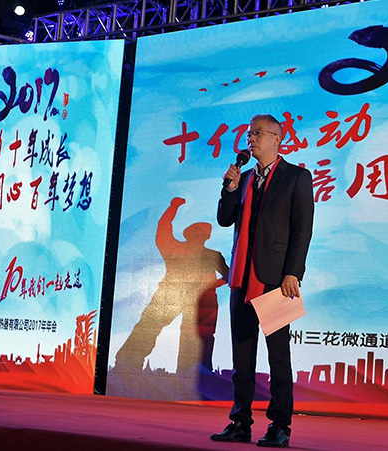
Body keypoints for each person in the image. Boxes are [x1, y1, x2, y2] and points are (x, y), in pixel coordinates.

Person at [211, 114, 314, 447]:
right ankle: (240, 421)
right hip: (241, 277)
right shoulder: (242, 178)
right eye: (249, 134)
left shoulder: (297, 177)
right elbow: (225, 219)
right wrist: (229, 189)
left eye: (257, 133)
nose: (251, 139)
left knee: (278, 356)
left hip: (276, 279)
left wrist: (293, 273)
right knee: (241, 356)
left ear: (276, 139)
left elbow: (302, 229)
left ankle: (280, 425)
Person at [114, 197, 228, 397]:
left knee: (197, 335)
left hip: (200, 298)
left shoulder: (211, 255)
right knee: (149, 326)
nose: (198, 238)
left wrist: (209, 286)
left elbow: (229, 276)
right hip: (173, 292)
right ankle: (127, 363)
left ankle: (194, 373)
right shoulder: (181, 249)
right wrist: (172, 207)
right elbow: (163, 229)